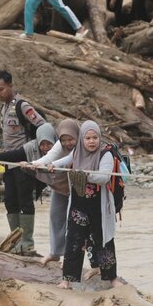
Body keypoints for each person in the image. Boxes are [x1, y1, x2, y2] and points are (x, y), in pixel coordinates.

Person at [45, 120, 119, 289]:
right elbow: (64, 161)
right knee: (73, 242)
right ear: (82, 139)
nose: (91, 141)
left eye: (95, 137)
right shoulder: (78, 151)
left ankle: (112, 279)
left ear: (99, 138)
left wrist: (86, 175)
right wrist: (51, 166)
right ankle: (67, 280)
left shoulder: (105, 154)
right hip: (78, 207)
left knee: (104, 242)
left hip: (99, 208)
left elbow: (105, 177)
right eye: (87, 138)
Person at [0, 70, 47, 253]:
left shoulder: (22, 106)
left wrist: (34, 148)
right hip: (8, 160)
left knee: (24, 199)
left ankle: (27, 242)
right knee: (10, 200)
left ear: (10, 85)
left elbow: (43, 126)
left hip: (23, 160)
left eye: (1, 89)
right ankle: (14, 239)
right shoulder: (4, 107)